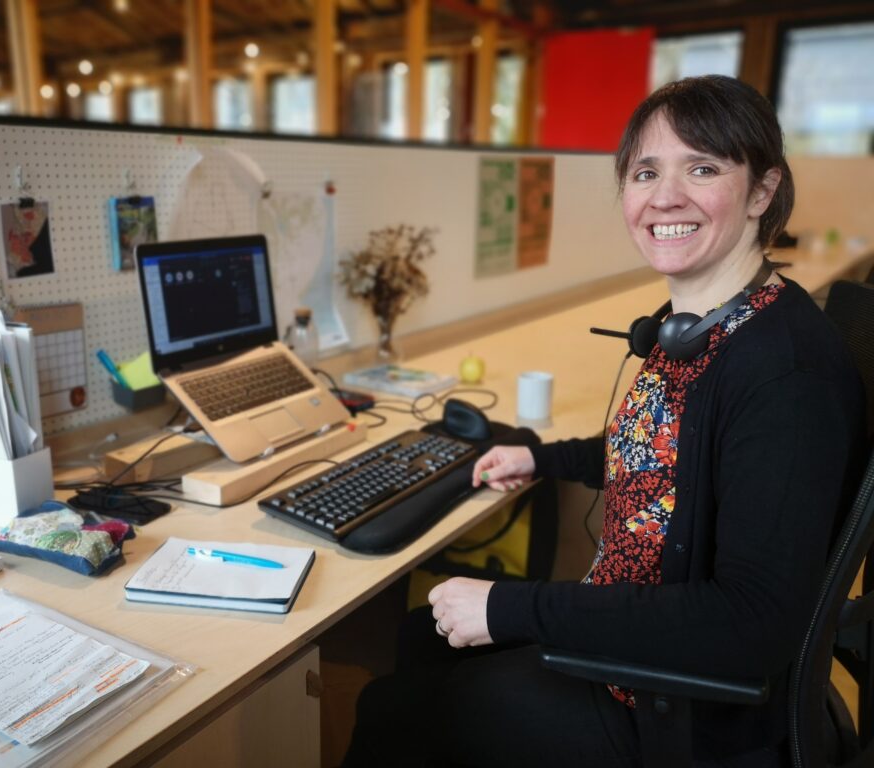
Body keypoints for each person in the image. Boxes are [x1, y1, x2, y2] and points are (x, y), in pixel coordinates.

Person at [343, 75, 867, 767]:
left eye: (703, 168)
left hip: (676, 708)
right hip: (638, 635)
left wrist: (513, 606)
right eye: (646, 171)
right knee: (422, 636)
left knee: (391, 708)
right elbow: (672, 454)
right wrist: (545, 459)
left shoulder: (783, 372)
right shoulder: (713, 327)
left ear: (762, 191)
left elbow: (752, 622)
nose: (665, 196)